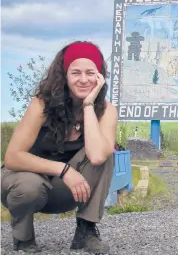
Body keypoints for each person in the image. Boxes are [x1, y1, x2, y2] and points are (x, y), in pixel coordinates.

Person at [1, 41, 118, 253]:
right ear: (64, 75)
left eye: (90, 73)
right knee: (28, 186)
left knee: (105, 150)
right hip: (25, 183)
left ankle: (86, 231)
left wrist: (89, 105)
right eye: (76, 73)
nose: (83, 80)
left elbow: (99, 156)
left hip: (65, 191)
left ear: (100, 76)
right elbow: (12, 157)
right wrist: (64, 171)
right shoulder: (41, 104)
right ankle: (24, 239)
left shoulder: (106, 110)